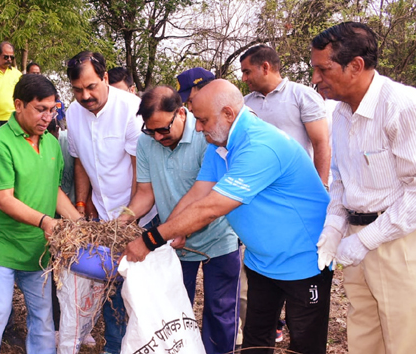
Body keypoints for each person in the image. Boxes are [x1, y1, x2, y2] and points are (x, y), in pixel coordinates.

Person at [123, 79, 333, 354]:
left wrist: (150, 239)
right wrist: (176, 227)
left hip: (303, 263)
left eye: (202, 120)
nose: (197, 127)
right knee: (256, 340)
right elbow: (198, 193)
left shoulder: (259, 145)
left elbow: (212, 207)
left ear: (228, 114)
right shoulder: (218, 144)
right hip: (261, 263)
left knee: (305, 344)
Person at [311, 22, 416, 354]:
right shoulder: (340, 112)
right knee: (363, 335)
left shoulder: (401, 106)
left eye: (323, 69)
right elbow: (342, 178)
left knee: (403, 337)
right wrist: (333, 228)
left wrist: (366, 241)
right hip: (354, 238)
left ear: (355, 65)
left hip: (399, 242)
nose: (315, 78)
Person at [119, 86, 239, 354]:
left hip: (217, 239)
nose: (158, 137)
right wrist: (122, 221)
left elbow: (204, 194)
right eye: (151, 130)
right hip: (172, 243)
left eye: (163, 129)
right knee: (170, 311)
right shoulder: (147, 143)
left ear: (181, 113)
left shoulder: (205, 136)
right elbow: (145, 194)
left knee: (220, 313)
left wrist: (170, 230)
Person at [0, 73, 81, 354]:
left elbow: (54, 191)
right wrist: (46, 221)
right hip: (0, 243)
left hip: (36, 246)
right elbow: (5, 200)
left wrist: (80, 225)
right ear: (18, 105)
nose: (47, 117)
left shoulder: (50, 143)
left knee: (43, 315)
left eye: (52, 109)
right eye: (40, 109)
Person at [65, 50, 155, 354]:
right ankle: (114, 347)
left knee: (139, 289)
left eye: (91, 87)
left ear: (105, 77)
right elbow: (80, 162)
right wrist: (81, 205)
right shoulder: (74, 113)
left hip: (137, 215)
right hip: (102, 215)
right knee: (111, 286)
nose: (85, 96)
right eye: (78, 90)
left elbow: (137, 169)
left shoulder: (131, 110)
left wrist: (127, 223)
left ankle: (146, 344)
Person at [240, 44, 330, 186]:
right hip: (258, 187)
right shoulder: (243, 104)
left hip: (297, 185)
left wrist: (321, 187)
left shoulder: (302, 95)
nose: (244, 78)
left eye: (247, 72)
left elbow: (321, 143)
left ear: (265, 67)